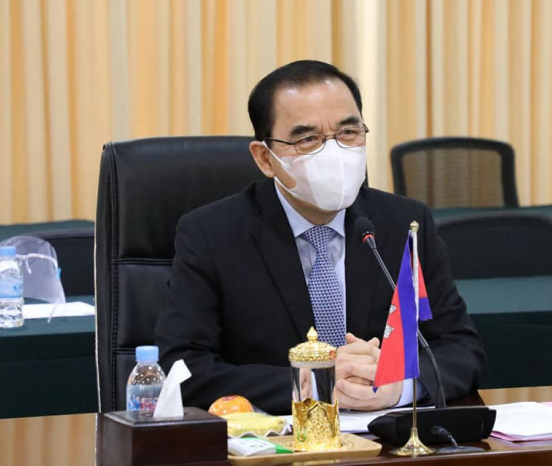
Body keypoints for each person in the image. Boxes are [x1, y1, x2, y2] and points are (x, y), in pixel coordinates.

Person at [155, 60, 486, 415]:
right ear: (265, 158)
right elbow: (183, 369)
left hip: (382, 437)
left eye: (348, 132)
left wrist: (401, 387)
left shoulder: (404, 223)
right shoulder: (211, 234)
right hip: (274, 439)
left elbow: (461, 349)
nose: (334, 153)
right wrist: (312, 382)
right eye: (307, 139)